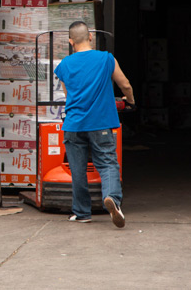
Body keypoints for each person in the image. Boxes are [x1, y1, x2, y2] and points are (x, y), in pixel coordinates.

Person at [54, 21, 135, 228]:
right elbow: (124, 84)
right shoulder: (106, 58)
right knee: (107, 163)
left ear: (71, 41)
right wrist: (130, 100)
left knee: (78, 169)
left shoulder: (64, 65)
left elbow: (67, 95)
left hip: (73, 125)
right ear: (90, 36)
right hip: (100, 123)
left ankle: (82, 213)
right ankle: (112, 199)